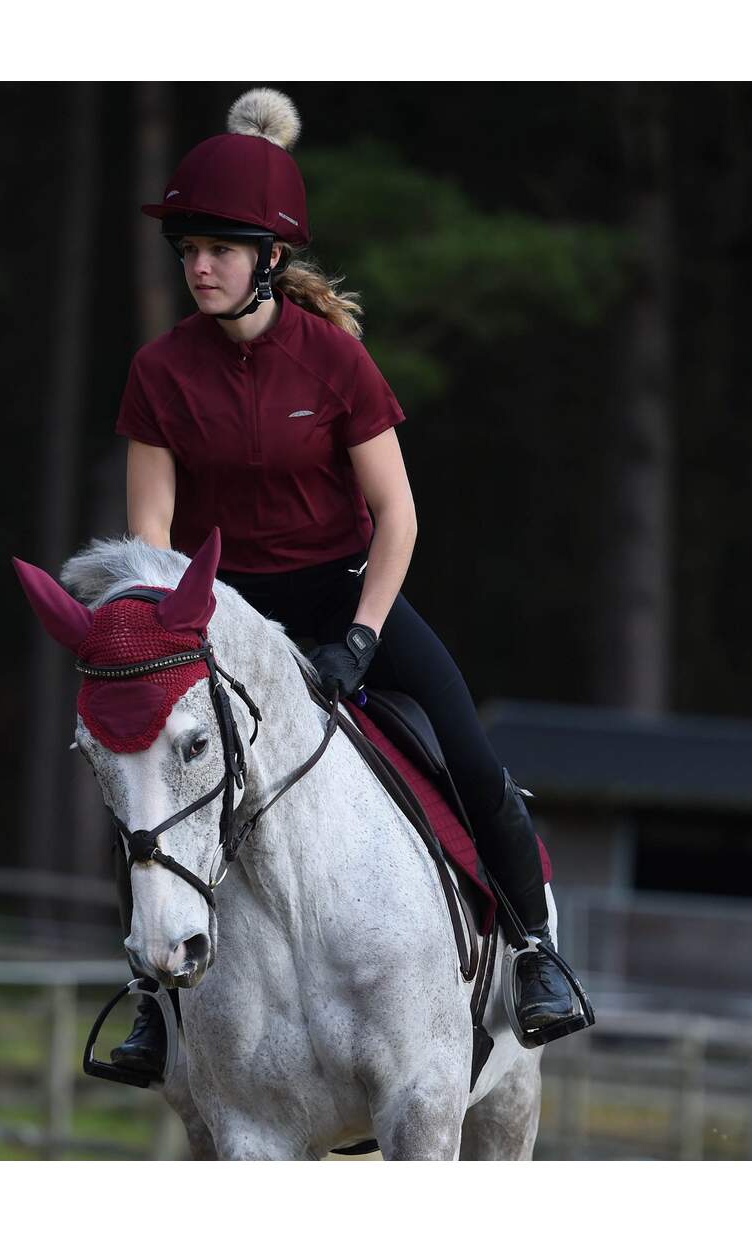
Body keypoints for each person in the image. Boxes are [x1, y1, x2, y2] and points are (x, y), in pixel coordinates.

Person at [110, 88, 579, 1077]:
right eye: (189, 248)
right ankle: (152, 1000)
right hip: (221, 614)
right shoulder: (158, 372)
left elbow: (398, 516)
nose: (198, 264)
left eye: (220, 250)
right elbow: (151, 536)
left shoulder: (333, 361)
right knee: (147, 777)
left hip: (342, 597)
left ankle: (536, 955)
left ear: (269, 260)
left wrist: (363, 638)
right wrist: (171, 638)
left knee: (472, 759)